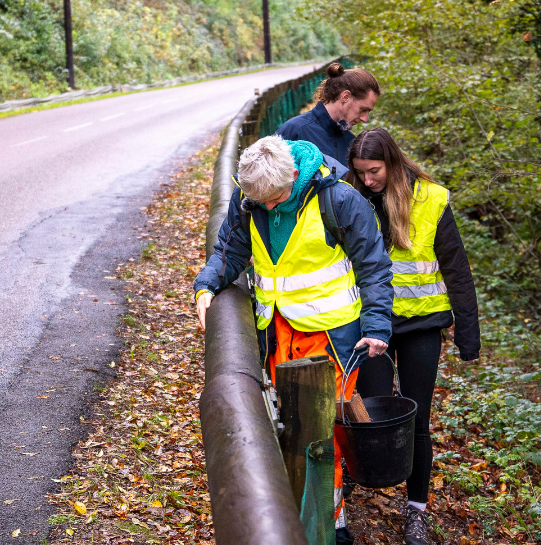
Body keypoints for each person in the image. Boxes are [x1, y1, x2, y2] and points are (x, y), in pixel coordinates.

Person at [192, 136, 394, 545]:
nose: (267, 207)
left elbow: (374, 267)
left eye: (275, 199)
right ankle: (302, 509)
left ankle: (330, 525)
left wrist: (376, 327)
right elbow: (231, 250)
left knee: (322, 431)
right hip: (277, 330)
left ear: (295, 177)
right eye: (258, 200)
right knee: (288, 423)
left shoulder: (340, 200)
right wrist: (206, 284)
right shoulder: (250, 198)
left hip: (333, 336)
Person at [346, 127, 481, 545]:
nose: (368, 180)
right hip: (373, 324)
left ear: (392, 161)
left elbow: (456, 268)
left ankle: (417, 511)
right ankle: (348, 484)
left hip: (421, 324)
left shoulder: (431, 199)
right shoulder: (350, 198)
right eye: (360, 172)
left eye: (374, 171)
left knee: (418, 418)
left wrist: (468, 331)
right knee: (367, 411)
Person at [277, 61, 380, 160]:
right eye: (363, 110)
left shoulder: (351, 143)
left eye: (368, 112)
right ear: (345, 96)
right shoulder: (295, 131)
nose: (365, 119)